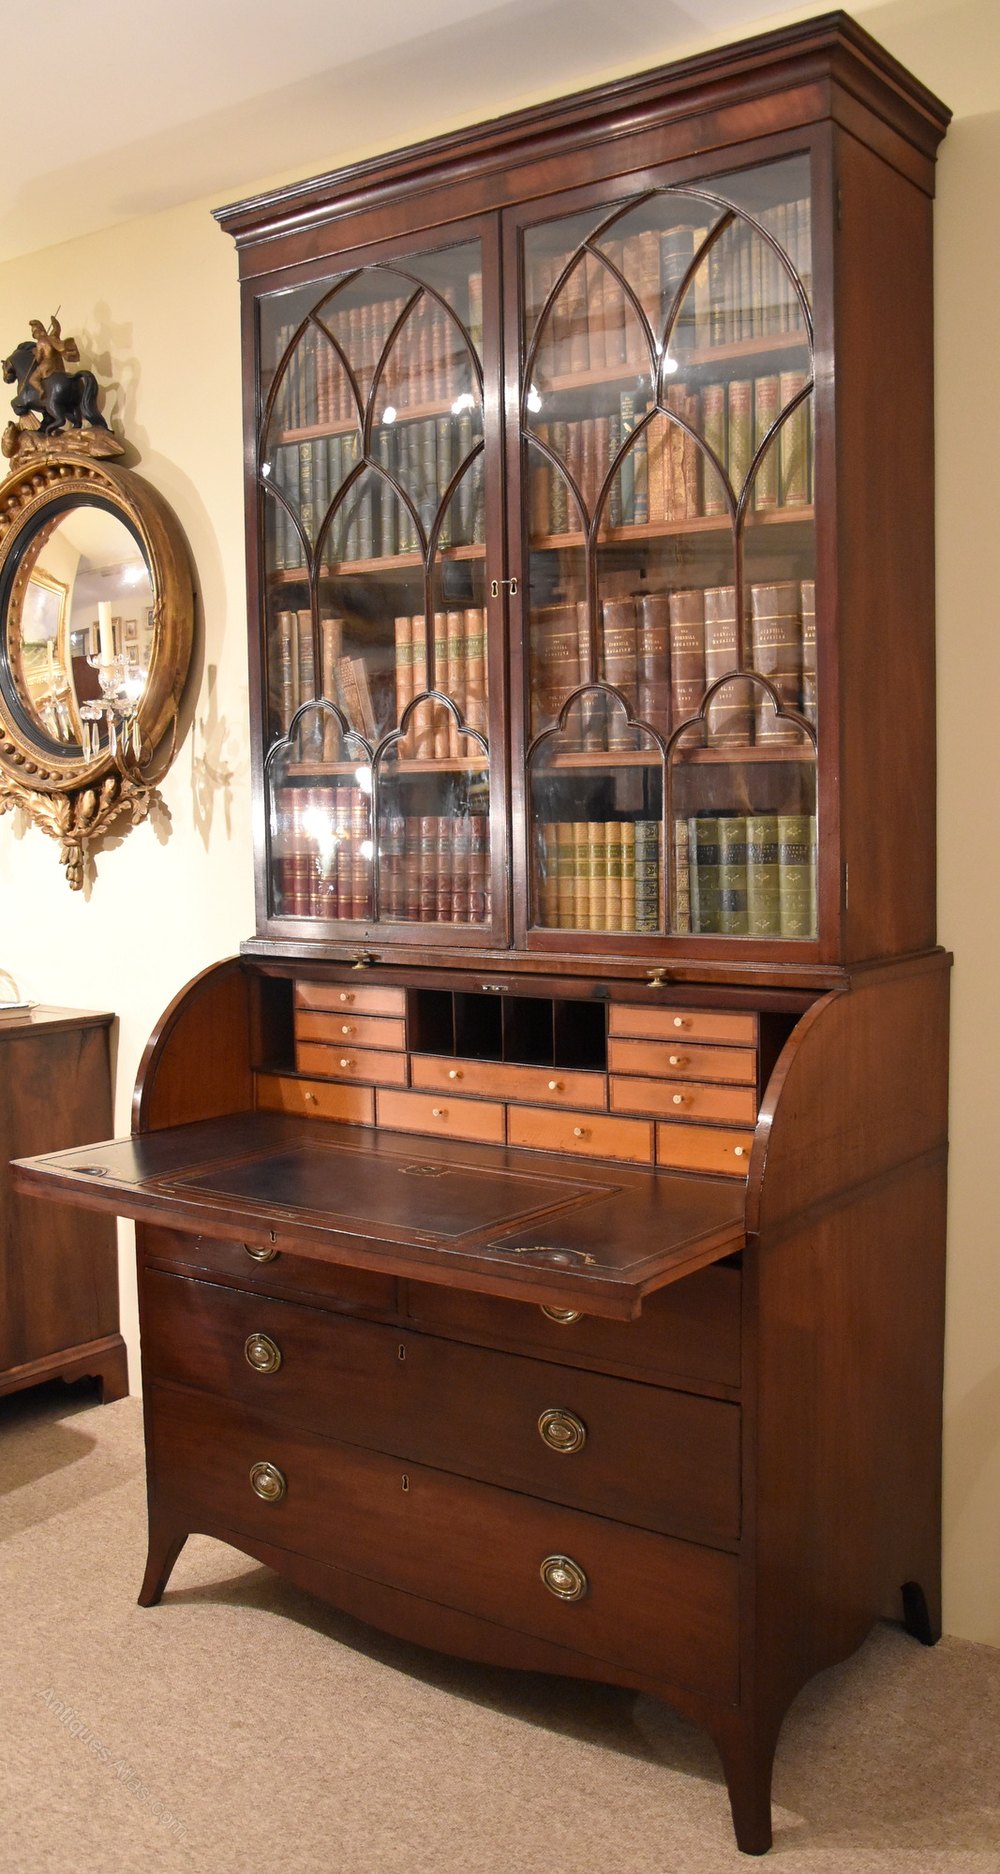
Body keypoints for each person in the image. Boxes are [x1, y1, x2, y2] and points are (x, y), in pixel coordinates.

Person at [27, 316, 79, 400]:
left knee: (32, 379)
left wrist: (36, 353)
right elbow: (57, 329)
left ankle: (40, 390)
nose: (35, 336)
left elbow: (39, 359)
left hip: (46, 366)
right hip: (57, 365)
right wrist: (54, 322)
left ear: (37, 333)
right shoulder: (52, 338)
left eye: (34, 333)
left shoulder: (40, 343)